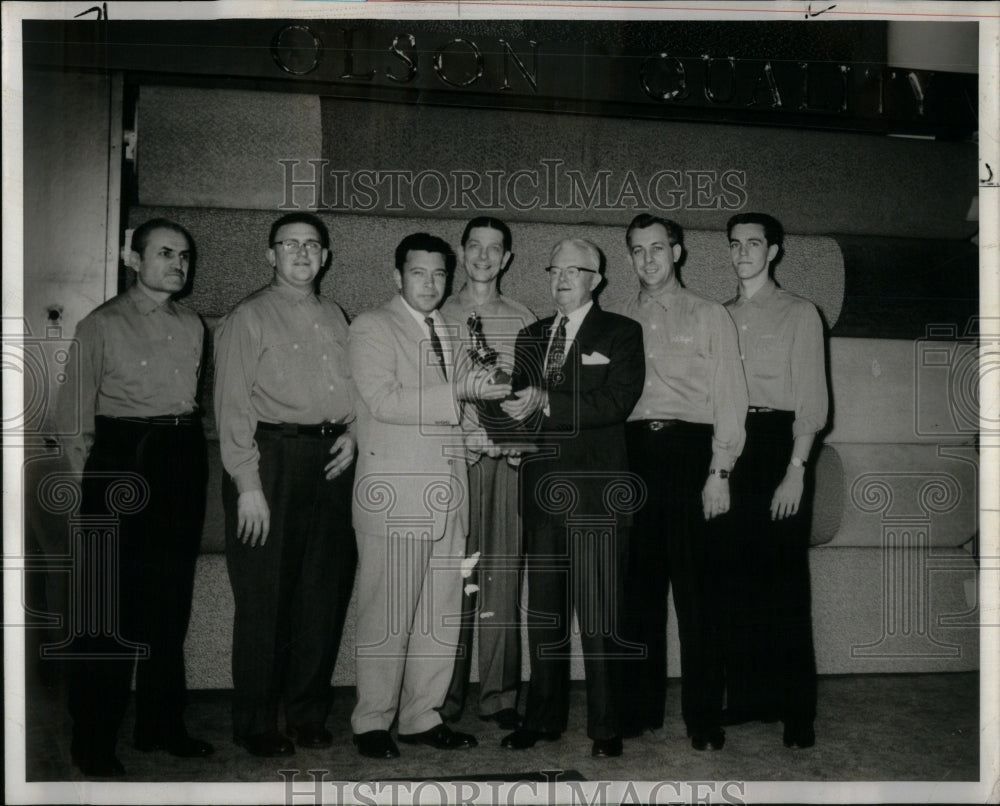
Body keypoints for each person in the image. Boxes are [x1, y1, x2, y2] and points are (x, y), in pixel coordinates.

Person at [57, 218, 213, 776]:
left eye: (185, 256)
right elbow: (73, 421)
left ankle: (160, 725)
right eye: (166, 253)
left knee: (169, 606)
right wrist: (86, 500)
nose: (178, 264)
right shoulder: (101, 324)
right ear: (133, 257)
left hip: (179, 458)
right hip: (120, 461)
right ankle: (92, 742)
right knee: (107, 610)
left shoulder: (194, 324)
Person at [348, 232, 510, 759]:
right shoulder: (372, 326)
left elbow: (452, 412)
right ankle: (372, 720)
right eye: (419, 273)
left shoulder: (446, 327)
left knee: (439, 613)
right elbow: (384, 400)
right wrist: (459, 394)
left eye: (440, 274)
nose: (430, 284)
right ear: (397, 276)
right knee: (387, 613)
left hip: (448, 492)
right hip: (396, 495)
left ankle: (421, 715)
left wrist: (479, 435)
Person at [214, 212, 357, 758]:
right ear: (269, 255)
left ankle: (306, 714)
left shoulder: (337, 315)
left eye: (311, 245)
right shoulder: (248, 317)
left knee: (323, 594)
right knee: (264, 599)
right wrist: (248, 485)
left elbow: (359, 387)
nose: (301, 253)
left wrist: (356, 433)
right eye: (288, 244)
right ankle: (255, 723)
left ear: (326, 257)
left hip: (332, 461)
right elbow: (230, 408)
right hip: (269, 459)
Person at [499, 237, 645, 759]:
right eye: (553, 268)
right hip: (541, 497)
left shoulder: (623, 333)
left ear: (596, 280)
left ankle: (606, 729)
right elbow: (519, 404)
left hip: (598, 500)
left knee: (601, 621)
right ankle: (542, 719)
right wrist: (511, 435)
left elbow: (615, 401)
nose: (560, 278)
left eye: (573, 270)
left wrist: (546, 401)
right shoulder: (531, 335)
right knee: (546, 617)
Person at [611, 213, 748, 751]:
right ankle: (639, 710)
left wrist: (720, 471)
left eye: (658, 248)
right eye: (639, 251)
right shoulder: (614, 318)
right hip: (633, 459)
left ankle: (703, 718)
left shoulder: (710, 314)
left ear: (678, 251)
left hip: (691, 458)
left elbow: (730, 397)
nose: (649, 259)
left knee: (699, 598)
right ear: (629, 258)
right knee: (636, 594)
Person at [723, 212, 828, 749]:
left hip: (779, 449)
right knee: (738, 581)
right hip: (731, 446)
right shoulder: (718, 315)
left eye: (754, 244)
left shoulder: (800, 313)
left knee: (785, 585)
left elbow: (812, 401)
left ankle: (796, 713)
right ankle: (748, 699)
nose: (743, 252)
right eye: (736, 244)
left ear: (775, 251)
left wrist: (796, 471)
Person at [439, 217, 534, 731]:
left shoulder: (524, 318)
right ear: (461, 251)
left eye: (494, 249)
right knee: (455, 579)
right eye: (474, 246)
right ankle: (443, 695)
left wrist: (524, 441)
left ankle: (498, 696)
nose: (483, 256)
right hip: (456, 459)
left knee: (501, 578)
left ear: (508, 258)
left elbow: (535, 393)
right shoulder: (436, 311)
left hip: (506, 464)